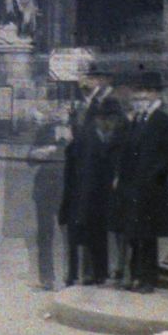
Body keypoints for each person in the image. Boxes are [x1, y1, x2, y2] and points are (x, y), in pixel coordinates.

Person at [113, 76, 168, 291]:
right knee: (134, 233)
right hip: (132, 186)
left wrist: (157, 174)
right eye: (138, 93)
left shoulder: (163, 120)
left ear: (156, 94)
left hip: (151, 187)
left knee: (147, 235)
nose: (140, 97)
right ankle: (135, 275)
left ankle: (148, 279)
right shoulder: (137, 120)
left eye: (145, 92)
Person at [60, 96, 124, 285]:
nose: (113, 125)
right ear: (100, 119)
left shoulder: (95, 136)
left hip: (90, 197)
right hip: (88, 197)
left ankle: (89, 274)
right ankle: (88, 275)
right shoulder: (89, 139)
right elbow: (85, 174)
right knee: (89, 236)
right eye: (111, 120)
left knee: (90, 236)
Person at [25, 113, 68, 290]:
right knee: (44, 234)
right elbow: (30, 159)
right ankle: (46, 278)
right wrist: (41, 152)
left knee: (70, 235)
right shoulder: (45, 131)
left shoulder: (78, 131)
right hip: (45, 189)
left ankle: (70, 276)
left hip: (68, 190)